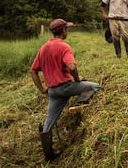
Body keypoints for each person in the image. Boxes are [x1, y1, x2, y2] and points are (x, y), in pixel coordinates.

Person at [31, 18, 100, 162]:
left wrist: (42, 89)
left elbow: (33, 71)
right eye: (66, 28)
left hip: (53, 91)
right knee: (95, 86)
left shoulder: (43, 48)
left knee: (48, 123)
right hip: (66, 87)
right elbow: (72, 66)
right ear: (63, 30)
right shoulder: (64, 47)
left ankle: (49, 155)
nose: (67, 31)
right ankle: (77, 104)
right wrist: (76, 79)